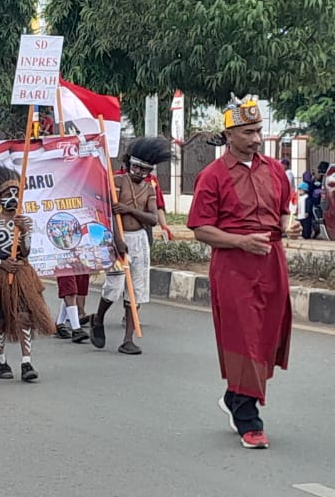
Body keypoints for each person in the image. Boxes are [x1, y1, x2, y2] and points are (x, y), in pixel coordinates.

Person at [188, 97, 293, 450]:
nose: (256, 138)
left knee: (267, 336)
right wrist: (239, 241)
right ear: (229, 135)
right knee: (243, 336)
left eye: (259, 130)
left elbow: (284, 212)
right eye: (248, 132)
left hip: (272, 262)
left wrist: (287, 228)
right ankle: (249, 418)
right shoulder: (212, 176)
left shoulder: (275, 170)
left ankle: (235, 396)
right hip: (234, 266)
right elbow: (201, 229)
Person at [0, 166, 56, 382]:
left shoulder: (24, 222)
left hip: (22, 273)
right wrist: (0, 262)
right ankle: (1, 361)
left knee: (24, 316)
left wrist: (25, 232)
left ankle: (26, 362)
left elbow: (26, 251)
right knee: (0, 318)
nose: (11, 198)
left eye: (15, 194)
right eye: (7, 194)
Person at [93, 137, 171, 356]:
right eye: (136, 167)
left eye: (143, 169)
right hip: (118, 238)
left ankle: (127, 340)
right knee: (114, 288)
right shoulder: (117, 183)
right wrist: (118, 240)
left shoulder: (149, 190)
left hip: (139, 241)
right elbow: (108, 213)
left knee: (135, 292)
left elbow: (152, 219)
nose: (138, 172)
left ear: (148, 172)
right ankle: (98, 319)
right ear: (129, 164)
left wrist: (129, 210)